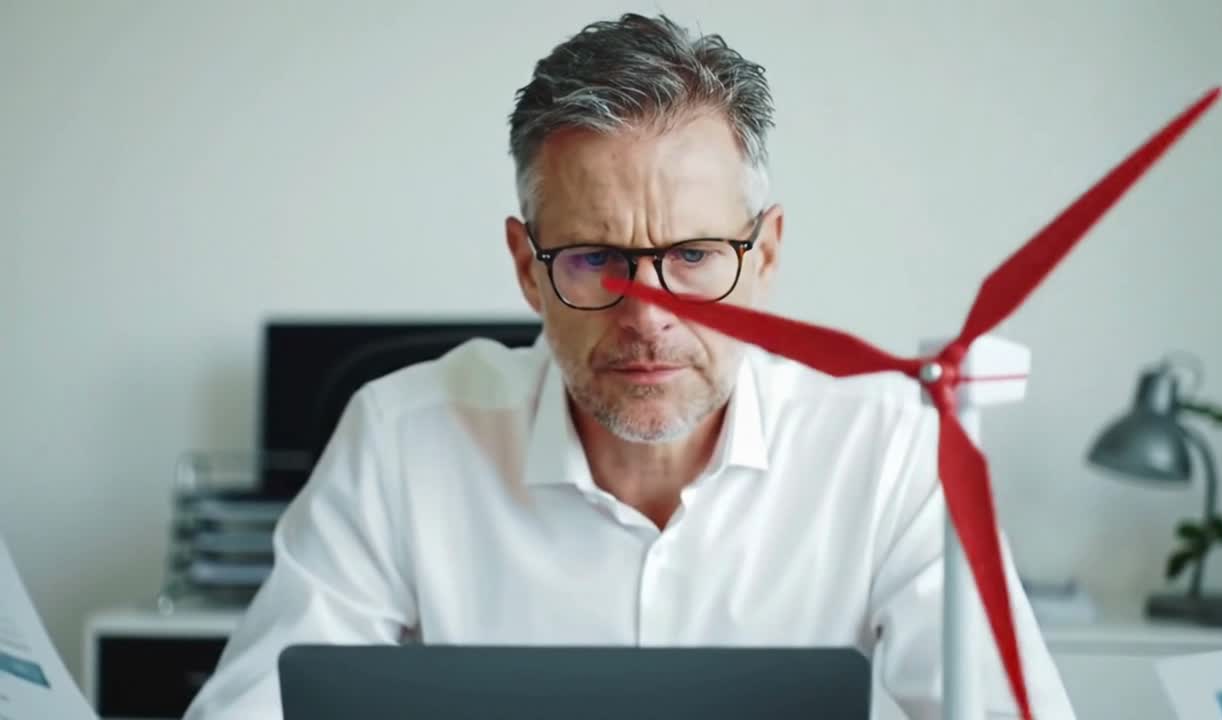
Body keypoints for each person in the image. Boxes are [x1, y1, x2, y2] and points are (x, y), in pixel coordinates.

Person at [183, 13, 1075, 720]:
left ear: (764, 254)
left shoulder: (890, 448)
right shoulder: (399, 441)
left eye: (693, 255)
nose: (649, 315)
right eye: (595, 261)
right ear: (528, 268)